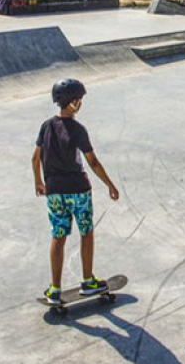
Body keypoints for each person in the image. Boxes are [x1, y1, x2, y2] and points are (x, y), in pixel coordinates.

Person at [32, 79, 120, 305]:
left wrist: (38, 182)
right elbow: (92, 161)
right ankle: (88, 281)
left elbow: (35, 157)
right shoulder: (77, 129)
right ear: (73, 102)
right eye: (79, 100)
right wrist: (109, 184)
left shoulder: (46, 126)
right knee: (86, 232)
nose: (80, 103)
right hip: (78, 191)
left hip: (54, 193)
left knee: (58, 236)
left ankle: (54, 288)